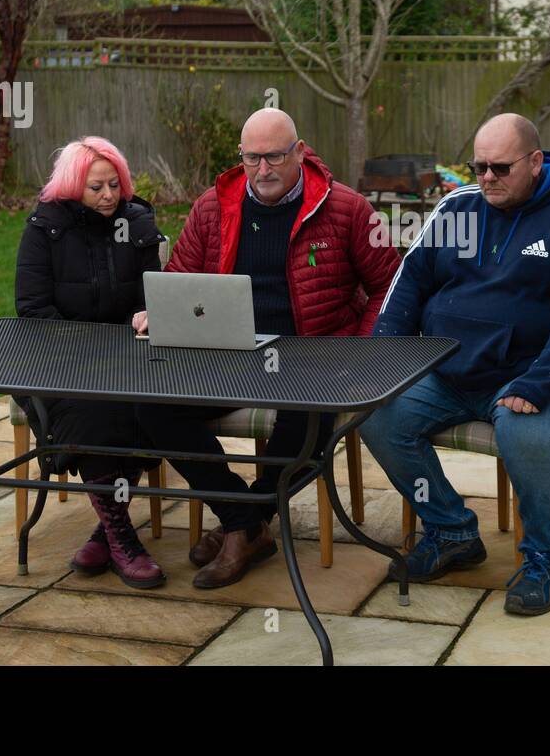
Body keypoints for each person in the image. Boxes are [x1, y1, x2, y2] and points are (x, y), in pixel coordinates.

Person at [360, 113, 550, 616]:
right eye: (478, 167)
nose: (487, 178)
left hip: (548, 372)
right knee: (375, 413)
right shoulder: (457, 207)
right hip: (452, 368)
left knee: (527, 433)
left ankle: (547, 558)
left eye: (500, 167)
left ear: (536, 162)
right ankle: (451, 530)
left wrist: (541, 381)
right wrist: (386, 359)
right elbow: (407, 283)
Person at [136, 108, 402, 588]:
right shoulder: (213, 207)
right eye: (251, 158)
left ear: (299, 152)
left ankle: (243, 526)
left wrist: (360, 351)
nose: (261, 170)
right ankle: (246, 520)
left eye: (274, 157)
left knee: (307, 419)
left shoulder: (347, 209)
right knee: (155, 404)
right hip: (229, 352)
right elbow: (179, 278)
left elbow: (389, 283)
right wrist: (162, 309)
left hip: (315, 356)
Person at [15, 136, 167, 589]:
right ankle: (123, 537)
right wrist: (86, 353)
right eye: (96, 187)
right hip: (57, 359)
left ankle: (107, 532)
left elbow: (156, 297)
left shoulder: (138, 222)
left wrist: (147, 315)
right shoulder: (44, 228)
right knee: (91, 406)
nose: (108, 196)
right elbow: (33, 309)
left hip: (130, 354)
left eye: (114, 185)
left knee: (149, 402)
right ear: (71, 187)